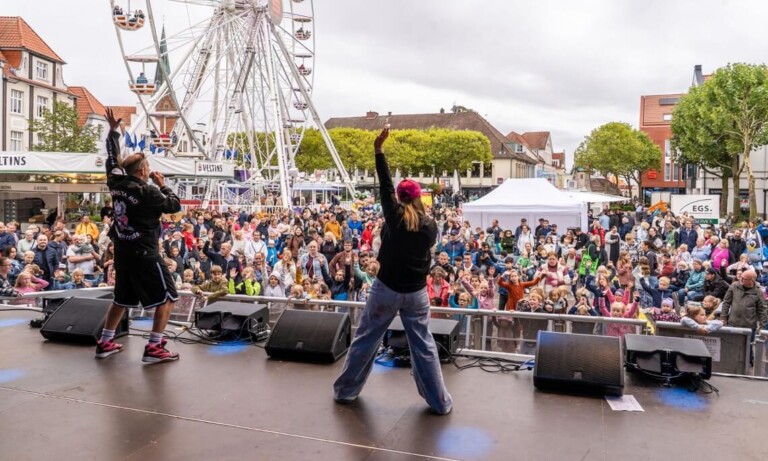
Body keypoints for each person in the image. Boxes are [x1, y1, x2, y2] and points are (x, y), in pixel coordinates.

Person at [333, 128, 452, 415]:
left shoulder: (394, 218)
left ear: (399, 199)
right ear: (419, 198)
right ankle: (440, 402)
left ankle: (346, 392)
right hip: (416, 294)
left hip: (386, 289)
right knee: (423, 346)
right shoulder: (430, 225)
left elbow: (384, 186)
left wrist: (379, 150)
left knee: (366, 339)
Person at [94, 109, 182, 364]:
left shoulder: (116, 182)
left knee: (122, 298)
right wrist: (162, 184)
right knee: (167, 297)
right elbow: (174, 206)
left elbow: (112, 156)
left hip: (122, 250)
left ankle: (106, 341)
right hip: (144, 251)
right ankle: (154, 346)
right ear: (144, 170)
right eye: (148, 167)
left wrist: (112, 132)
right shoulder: (149, 192)